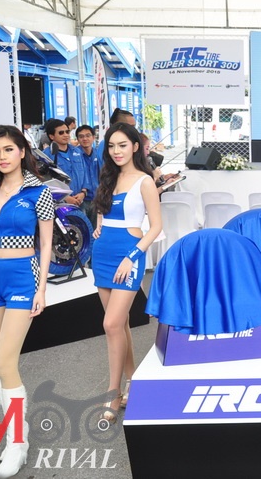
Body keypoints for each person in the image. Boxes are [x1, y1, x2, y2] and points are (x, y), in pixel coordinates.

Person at [0, 126, 54, 478]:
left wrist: (42, 289)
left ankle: (17, 443)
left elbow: (45, 244)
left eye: (8, 149)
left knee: (5, 363)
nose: (2, 157)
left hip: (22, 278)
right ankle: (16, 434)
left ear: (22, 152)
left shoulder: (38, 192)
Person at [92, 122, 162, 422]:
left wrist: (132, 257)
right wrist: (98, 225)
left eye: (122, 145)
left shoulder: (145, 181)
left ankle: (113, 392)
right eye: (111, 146)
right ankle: (134, 381)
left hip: (128, 257)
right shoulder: (108, 176)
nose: (116, 151)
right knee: (119, 325)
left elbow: (156, 227)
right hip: (102, 255)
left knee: (111, 324)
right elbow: (101, 208)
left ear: (135, 147)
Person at [42, 119, 87, 207]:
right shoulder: (46, 155)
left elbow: (85, 174)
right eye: (61, 133)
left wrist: (83, 193)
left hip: (80, 201)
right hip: (59, 204)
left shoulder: (77, 151)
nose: (66, 135)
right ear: (51, 136)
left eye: (67, 132)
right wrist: (65, 197)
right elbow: (45, 182)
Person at [75, 125, 100, 229]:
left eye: (88, 135)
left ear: (93, 137)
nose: (85, 139)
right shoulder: (74, 155)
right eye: (81, 136)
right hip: (81, 199)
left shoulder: (98, 154)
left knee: (96, 230)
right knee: (83, 230)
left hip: (97, 199)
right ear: (77, 139)